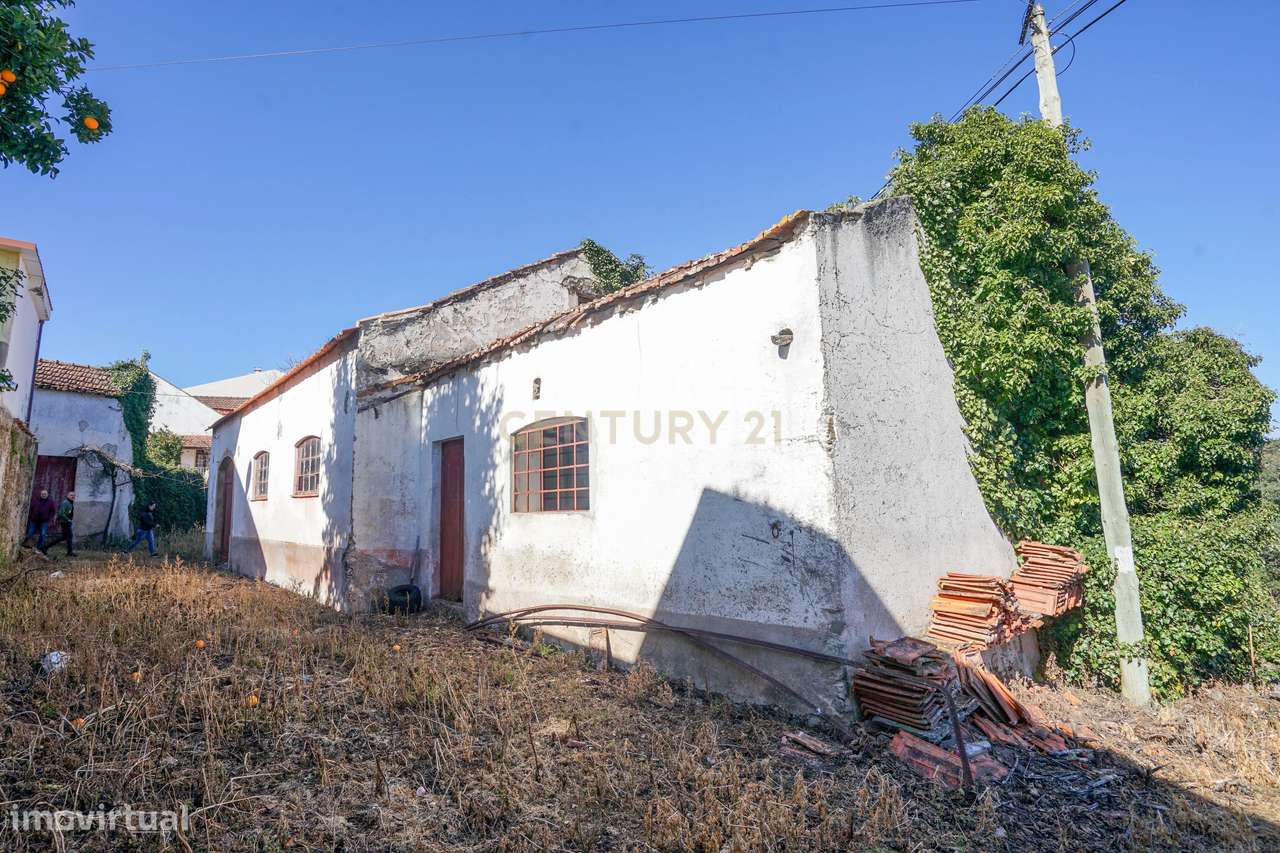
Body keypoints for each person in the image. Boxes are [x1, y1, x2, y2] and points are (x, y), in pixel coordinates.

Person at [26, 489, 58, 554]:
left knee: (43, 534)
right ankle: (27, 545)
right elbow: (31, 509)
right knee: (30, 532)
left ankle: (39, 547)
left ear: (47, 495)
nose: (44, 495)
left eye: (45, 494)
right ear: (40, 494)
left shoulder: (50, 502)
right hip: (34, 520)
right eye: (42, 494)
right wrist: (31, 516)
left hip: (44, 521)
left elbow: (53, 511)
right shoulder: (36, 501)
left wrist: (49, 518)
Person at [47, 491, 77, 557]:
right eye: (71, 495)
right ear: (67, 496)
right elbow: (61, 513)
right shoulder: (66, 503)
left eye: (74, 495)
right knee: (69, 536)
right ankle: (69, 552)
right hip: (65, 522)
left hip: (66, 522)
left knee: (64, 537)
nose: (73, 496)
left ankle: (45, 547)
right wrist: (68, 519)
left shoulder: (70, 503)